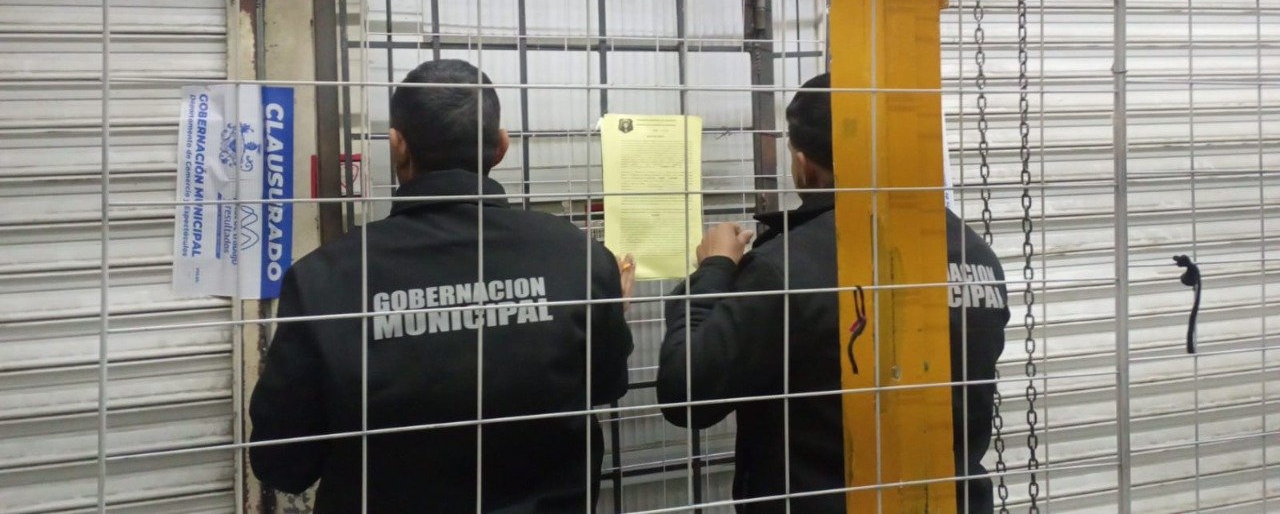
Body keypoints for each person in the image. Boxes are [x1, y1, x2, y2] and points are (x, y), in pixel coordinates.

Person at [249, 60, 634, 513]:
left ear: (398, 145)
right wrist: (607, 306)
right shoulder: (578, 258)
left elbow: (283, 463)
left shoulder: (325, 278)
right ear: (501, 146)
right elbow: (605, 386)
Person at [656, 73, 1009, 513]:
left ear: (804, 164)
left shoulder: (786, 266)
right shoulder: (975, 253)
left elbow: (687, 396)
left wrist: (714, 269)